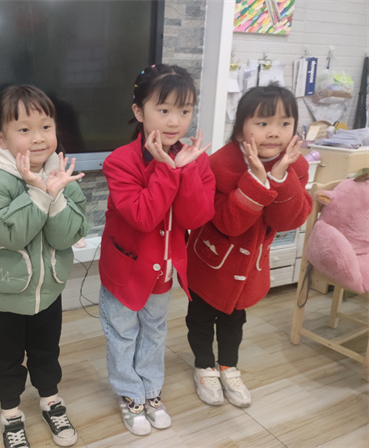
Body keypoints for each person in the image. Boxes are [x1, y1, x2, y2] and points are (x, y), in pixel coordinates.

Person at [98, 64, 215, 436]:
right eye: (163, 110)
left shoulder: (195, 159)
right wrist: (168, 170)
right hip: (125, 271)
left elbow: (196, 216)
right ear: (139, 111)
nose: (175, 121)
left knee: (154, 331)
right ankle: (129, 393)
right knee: (122, 334)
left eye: (185, 110)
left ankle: (151, 391)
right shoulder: (119, 161)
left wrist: (186, 170)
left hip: (163, 271)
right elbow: (143, 217)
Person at [0, 85, 90, 448]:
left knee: (46, 351)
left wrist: (56, 195)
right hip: (5, 292)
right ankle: (10, 412)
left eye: (46, 127)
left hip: (48, 289)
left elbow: (69, 234)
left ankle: (50, 400)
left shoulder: (61, 171)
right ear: (1, 138)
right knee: (5, 357)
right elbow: (10, 235)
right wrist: (39, 193)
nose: (38, 138)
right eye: (24, 129)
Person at [186, 83, 312, 408]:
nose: (274, 132)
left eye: (285, 123)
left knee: (234, 320)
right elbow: (230, 224)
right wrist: (257, 181)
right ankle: (204, 365)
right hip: (211, 261)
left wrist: (280, 175)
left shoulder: (295, 165)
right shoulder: (220, 163)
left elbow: (288, 221)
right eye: (263, 122)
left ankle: (229, 366)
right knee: (201, 317)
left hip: (249, 268)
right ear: (241, 126)